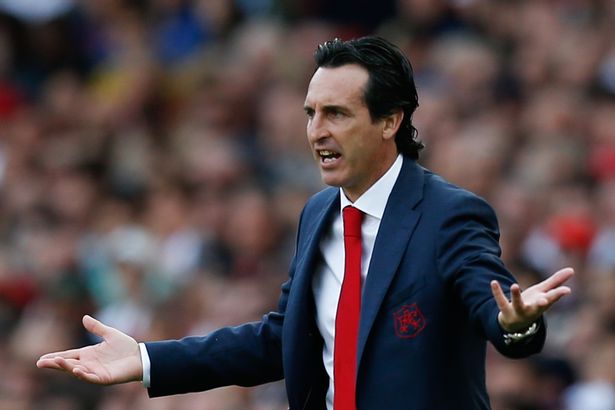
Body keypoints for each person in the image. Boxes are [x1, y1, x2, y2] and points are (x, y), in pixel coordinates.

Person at [37, 36, 574, 410]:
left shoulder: (449, 213)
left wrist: (516, 323)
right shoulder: (318, 212)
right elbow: (281, 341)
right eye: (311, 113)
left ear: (390, 121)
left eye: (336, 113)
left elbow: (496, 308)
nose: (317, 131)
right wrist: (146, 358)